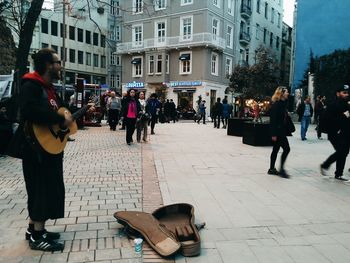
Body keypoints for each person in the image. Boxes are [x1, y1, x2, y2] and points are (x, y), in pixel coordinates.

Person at [18, 48, 71, 251]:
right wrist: (59, 118)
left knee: (47, 189)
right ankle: (37, 238)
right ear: (48, 65)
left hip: (48, 149)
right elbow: (30, 110)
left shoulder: (49, 89)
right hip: (35, 149)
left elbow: (63, 111)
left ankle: (33, 229)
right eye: (58, 62)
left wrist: (72, 115)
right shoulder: (31, 85)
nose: (60, 66)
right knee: (39, 190)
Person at [320, 85, 349, 181]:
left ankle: (339, 174)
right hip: (334, 133)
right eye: (344, 92)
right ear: (338, 93)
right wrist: (343, 116)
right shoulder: (333, 105)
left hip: (345, 133)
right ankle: (325, 165)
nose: (346, 94)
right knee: (341, 151)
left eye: (347, 93)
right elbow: (329, 120)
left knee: (344, 152)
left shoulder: (347, 105)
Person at [268, 87, 291, 178]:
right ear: (281, 94)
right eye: (286, 92)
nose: (288, 93)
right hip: (278, 131)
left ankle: (271, 169)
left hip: (281, 130)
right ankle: (281, 170)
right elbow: (273, 120)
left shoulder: (283, 104)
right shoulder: (277, 105)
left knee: (276, 149)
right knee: (287, 148)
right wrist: (273, 134)